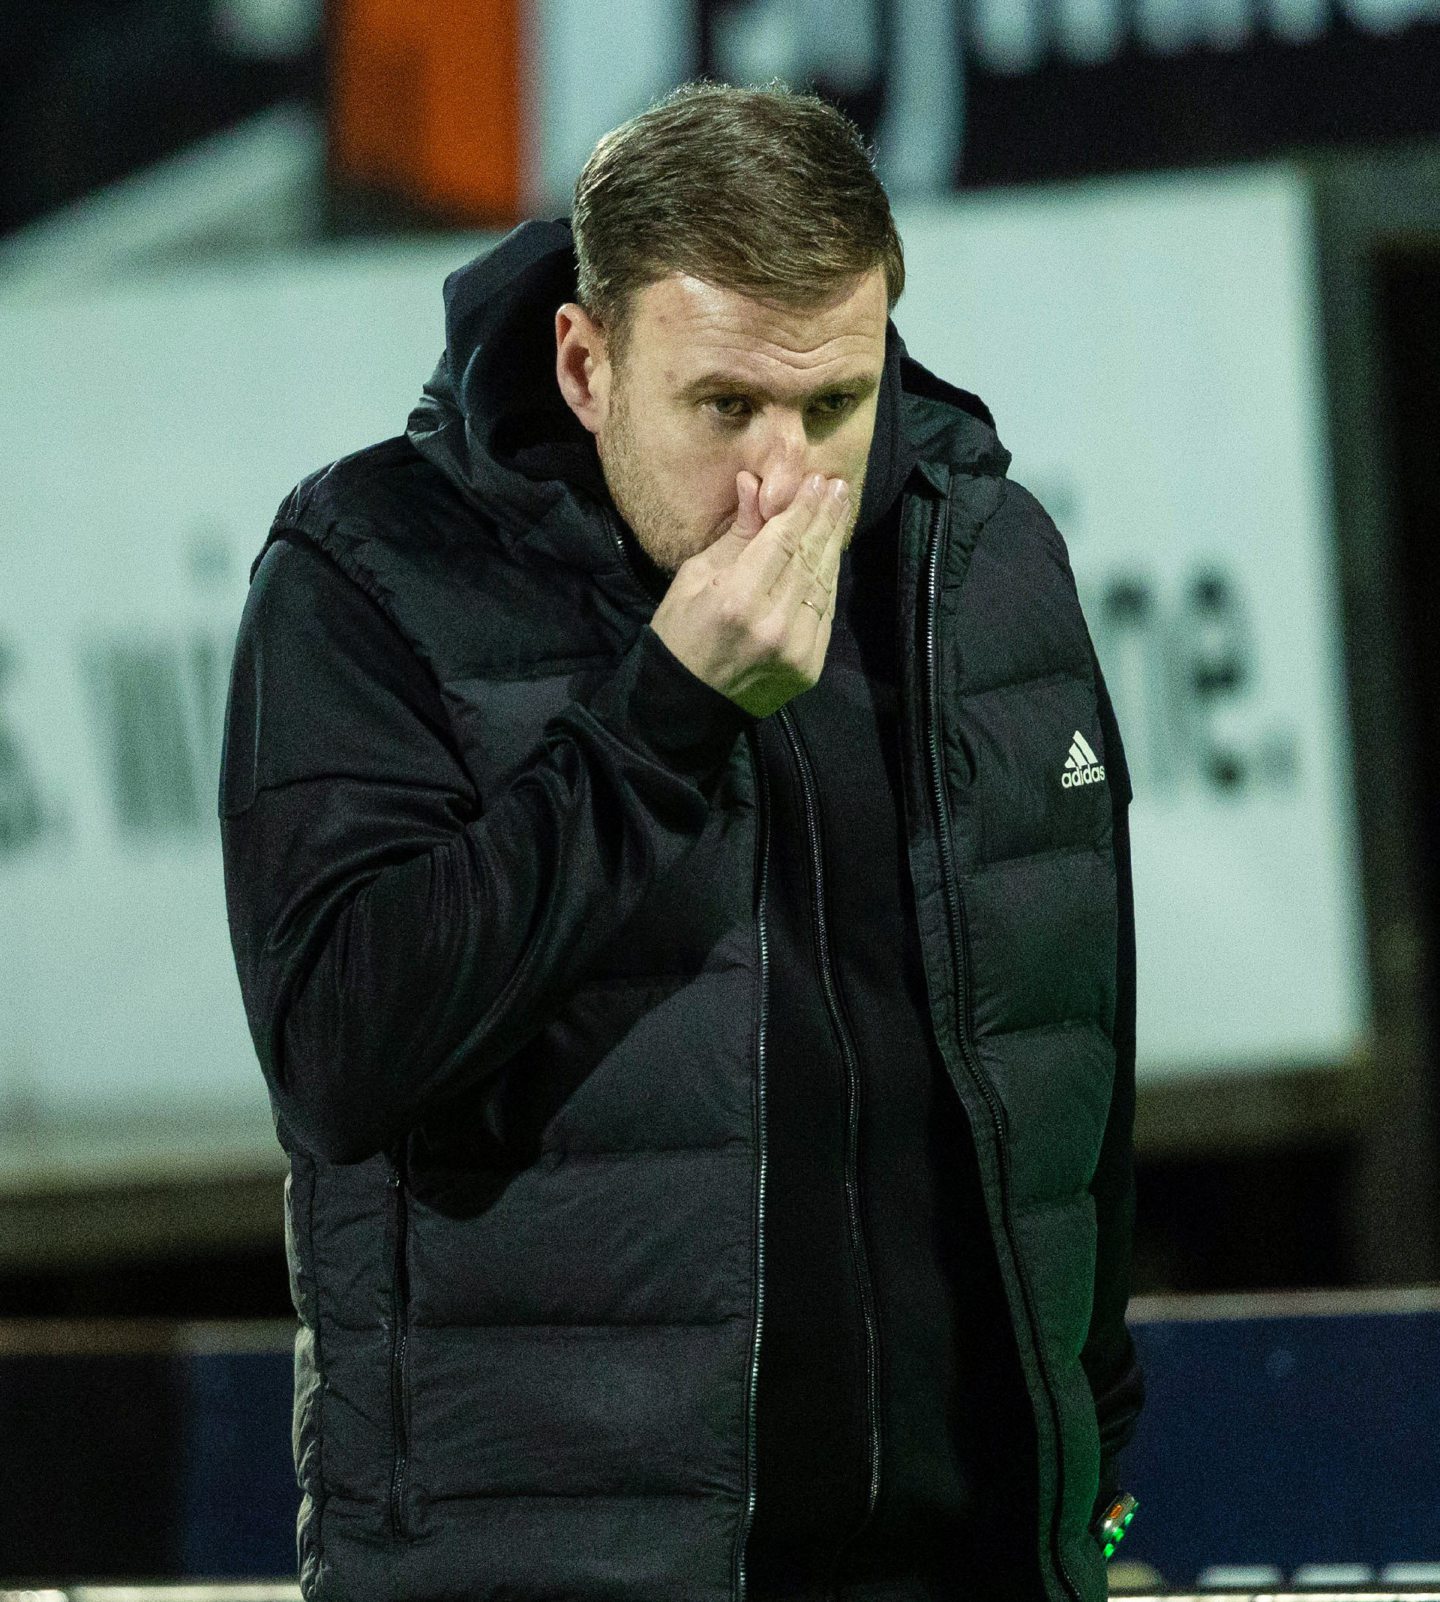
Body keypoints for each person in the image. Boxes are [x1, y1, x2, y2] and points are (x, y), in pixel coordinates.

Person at [219, 79, 1145, 1602]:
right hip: (540, 1571)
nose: (785, 481)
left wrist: (1087, 1468)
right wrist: (661, 718)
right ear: (586, 363)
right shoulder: (370, 578)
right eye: (725, 407)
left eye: (836, 404)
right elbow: (341, 1048)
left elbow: (1071, 1043)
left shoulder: (981, 562)